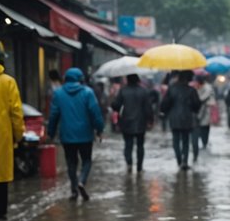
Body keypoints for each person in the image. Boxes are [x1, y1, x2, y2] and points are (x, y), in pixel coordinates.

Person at [47, 68, 104, 201]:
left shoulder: (58, 93)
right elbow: (95, 112)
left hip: (67, 135)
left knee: (71, 162)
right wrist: (99, 129)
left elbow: (53, 115)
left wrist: (51, 132)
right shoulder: (88, 92)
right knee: (87, 160)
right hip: (85, 135)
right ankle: (82, 181)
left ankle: (74, 190)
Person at [0, 50, 24, 220]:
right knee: (1, 175)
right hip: (2, 135)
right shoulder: (8, 82)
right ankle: (1, 212)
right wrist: (19, 134)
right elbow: (16, 112)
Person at [111, 74, 154, 173]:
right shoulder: (143, 91)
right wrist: (150, 120)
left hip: (126, 121)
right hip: (141, 122)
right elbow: (148, 108)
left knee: (128, 144)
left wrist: (114, 101)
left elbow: (116, 106)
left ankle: (129, 162)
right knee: (140, 145)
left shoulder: (123, 91)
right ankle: (139, 167)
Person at [160, 70, 201, 170]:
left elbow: (165, 104)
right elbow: (197, 105)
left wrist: (165, 111)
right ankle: (184, 161)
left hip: (174, 118)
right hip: (187, 118)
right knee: (186, 141)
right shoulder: (191, 90)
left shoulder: (172, 89)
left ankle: (179, 160)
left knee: (176, 140)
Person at [194, 74, 217, 154]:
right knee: (202, 127)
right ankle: (204, 143)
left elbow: (201, 98)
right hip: (201, 111)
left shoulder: (207, 88)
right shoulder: (199, 87)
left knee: (205, 127)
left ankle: (204, 143)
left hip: (206, 110)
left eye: (196, 81)